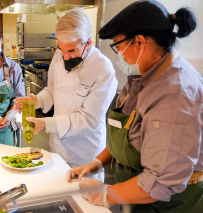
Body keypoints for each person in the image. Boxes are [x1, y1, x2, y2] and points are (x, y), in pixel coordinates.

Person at [66, 1, 203, 212]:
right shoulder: (141, 76)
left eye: (118, 47)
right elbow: (127, 134)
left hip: (167, 204)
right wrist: (96, 162)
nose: (118, 55)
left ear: (139, 42)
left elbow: (160, 184)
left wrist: (105, 194)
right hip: (134, 194)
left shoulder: (175, 96)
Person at [14, 8, 118, 181]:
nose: (65, 57)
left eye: (72, 51)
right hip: (59, 147)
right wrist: (37, 100)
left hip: (86, 154)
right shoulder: (59, 55)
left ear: (88, 44)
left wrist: (46, 124)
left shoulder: (103, 69)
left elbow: (88, 119)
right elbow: (53, 88)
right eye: (61, 49)